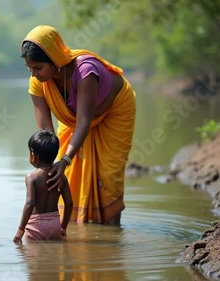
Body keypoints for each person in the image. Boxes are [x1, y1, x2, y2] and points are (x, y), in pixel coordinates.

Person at [20, 25, 136, 225]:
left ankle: (111, 228)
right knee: (67, 178)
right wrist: (47, 163)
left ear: (55, 60)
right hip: (73, 120)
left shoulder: (85, 71)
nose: (34, 74)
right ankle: (74, 226)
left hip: (114, 111)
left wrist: (65, 159)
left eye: (38, 68)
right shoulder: (38, 82)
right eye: (29, 68)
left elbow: (84, 121)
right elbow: (46, 131)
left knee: (109, 175)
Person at [13, 129, 73, 243]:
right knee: (53, 258)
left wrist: (20, 230)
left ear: (33, 156)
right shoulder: (61, 177)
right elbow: (69, 203)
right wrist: (63, 227)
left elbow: (29, 204)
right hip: (55, 225)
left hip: (36, 225)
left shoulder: (32, 177)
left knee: (33, 258)